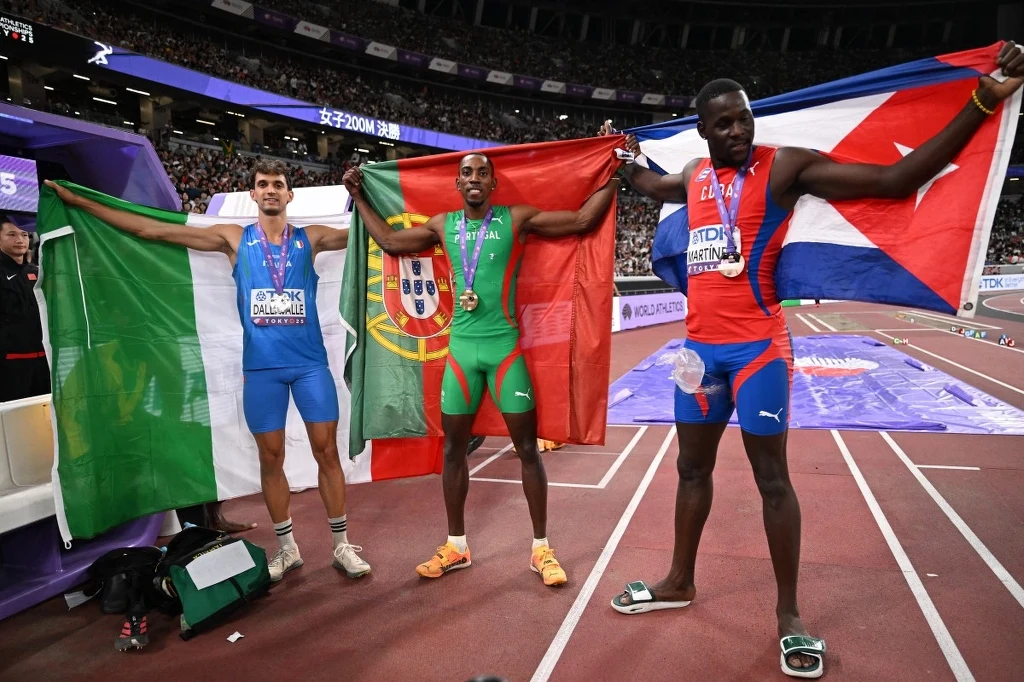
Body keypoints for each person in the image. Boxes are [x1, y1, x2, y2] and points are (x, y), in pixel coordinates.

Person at [600, 41, 1023, 679]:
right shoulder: (692, 177)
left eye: (743, 118)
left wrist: (980, 100)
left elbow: (895, 180)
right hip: (698, 355)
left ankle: (790, 616)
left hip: (758, 351)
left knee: (773, 480)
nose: (738, 130)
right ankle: (678, 581)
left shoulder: (784, 168)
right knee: (690, 470)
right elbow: (643, 182)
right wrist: (619, 153)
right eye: (724, 124)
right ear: (703, 131)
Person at [45, 158, 370, 583]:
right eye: (262, 184)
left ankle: (341, 545)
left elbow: (369, 238)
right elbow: (151, 230)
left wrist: (363, 195)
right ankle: (287, 549)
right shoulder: (234, 238)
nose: (270, 190)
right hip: (262, 371)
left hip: (310, 366)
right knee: (271, 460)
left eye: (278, 184)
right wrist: (78, 202)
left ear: (290, 195)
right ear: (252, 194)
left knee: (327, 452)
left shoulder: (312, 239)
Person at [343, 154, 619, 586]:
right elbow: (393, 244)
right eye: (467, 173)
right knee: (454, 450)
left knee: (528, 449)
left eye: (482, 173)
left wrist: (612, 173)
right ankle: (456, 546)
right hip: (461, 354)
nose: (474, 179)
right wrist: (359, 196)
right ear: (458, 182)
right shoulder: (442, 225)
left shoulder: (517, 218)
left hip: (505, 351)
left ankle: (541, 549)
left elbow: (583, 220)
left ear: (493, 182)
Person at [1, 217, 50, 402]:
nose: (20, 240)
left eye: (24, 235)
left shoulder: (38, 272)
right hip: (10, 364)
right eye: (11, 235)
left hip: (43, 360)